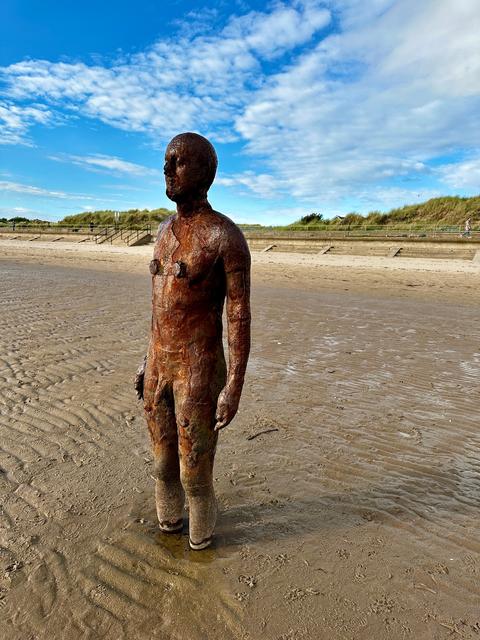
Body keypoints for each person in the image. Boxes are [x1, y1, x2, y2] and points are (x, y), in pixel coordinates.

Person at [135, 132, 251, 550]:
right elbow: (160, 307)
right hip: (158, 363)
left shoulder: (225, 237)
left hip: (198, 368)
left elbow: (238, 315)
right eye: (167, 161)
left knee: (194, 472)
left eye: (179, 162)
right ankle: (169, 526)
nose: (168, 169)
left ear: (205, 172)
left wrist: (234, 384)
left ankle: (200, 542)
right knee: (163, 463)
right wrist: (145, 361)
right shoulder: (164, 231)